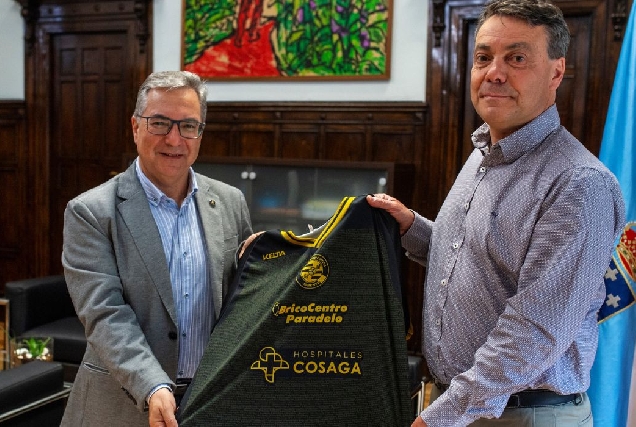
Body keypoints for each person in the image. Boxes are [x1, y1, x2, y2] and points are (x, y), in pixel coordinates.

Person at [367, 0, 626, 425]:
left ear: (556, 72)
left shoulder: (579, 184)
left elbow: (534, 331)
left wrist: (438, 417)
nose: (495, 73)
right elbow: (480, 261)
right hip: (466, 407)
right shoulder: (484, 153)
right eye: (484, 57)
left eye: (517, 58)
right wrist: (413, 228)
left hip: (522, 415)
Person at [60, 71, 253, 427]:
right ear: (136, 127)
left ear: (200, 133)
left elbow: (244, 300)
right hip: (120, 407)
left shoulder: (230, 202)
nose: (174, 139)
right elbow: (104, 314)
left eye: (188, 126)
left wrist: (267, 261)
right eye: (160, 123)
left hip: (210, 403)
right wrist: (151, 384)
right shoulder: (91, 212)